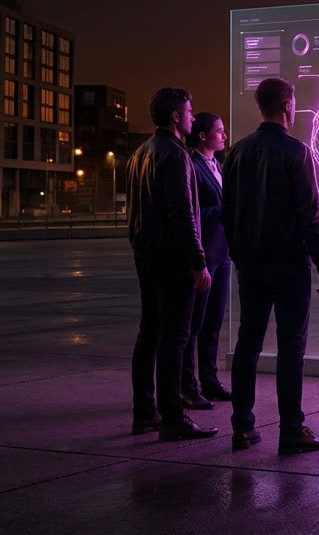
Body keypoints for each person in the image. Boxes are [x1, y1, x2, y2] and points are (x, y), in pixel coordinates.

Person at [222, 77, 319, 455]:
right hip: (289, 265)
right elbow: (310, 214)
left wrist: (238, 258)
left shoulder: (236, 152)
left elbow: (228, 214)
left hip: (251, 265)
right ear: (287, 106)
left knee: (247, 344)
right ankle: (291, 429)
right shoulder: (296, 152)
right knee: (291, 348)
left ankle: (242, 428)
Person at [127, 87, 217, 441]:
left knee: (148, 333)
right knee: (175, 338)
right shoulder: (176, 156)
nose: (193, 118)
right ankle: (173, 418)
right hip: (173, 260)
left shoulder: (139, 154)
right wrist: (198, 262)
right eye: (190, 112)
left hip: (146, 256)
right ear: (177, 116)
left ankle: (144, 413)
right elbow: (183, 214)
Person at [182, 112, 233, 405]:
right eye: (219, 131)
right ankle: (188, 386)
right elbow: (195, 211)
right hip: (204, 253)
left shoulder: (218, 166)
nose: (224, 136)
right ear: (202, 136)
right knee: (194, 323)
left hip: (222, 253)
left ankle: (210, 380)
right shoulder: (191, 166)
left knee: (213, 321)